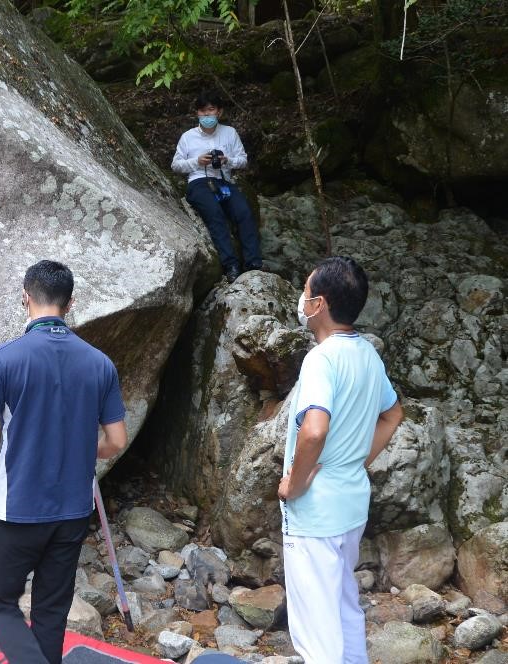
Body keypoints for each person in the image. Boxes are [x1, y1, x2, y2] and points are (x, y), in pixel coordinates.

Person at [0, 259, 128, 664]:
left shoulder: (5, 359)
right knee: (51, 611)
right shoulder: (99, 363)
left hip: (19, 509)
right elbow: (116, 441)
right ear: (70, 304)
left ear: (25, 298)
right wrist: (74, 452)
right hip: (72, 509)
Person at [277, 256, 404, 664]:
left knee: (316, 637)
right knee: (344, 604)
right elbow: (393, 413)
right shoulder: (367, 353)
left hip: (315, 513)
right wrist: (356, 459)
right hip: (351, 505)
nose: (302, 298)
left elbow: (314, 430)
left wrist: (293, 485)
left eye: (306, 290)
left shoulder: (321, 359)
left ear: (321, 304)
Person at [172, 91, 263, 283]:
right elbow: (176, 165)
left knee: (244, 213)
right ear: (197, 113)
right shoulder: (188, 137)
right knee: (215, 214)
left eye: (211, 110)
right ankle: (230, 265)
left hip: (223, 182)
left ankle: (254, 263)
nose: (207, 115)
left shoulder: (229, 132)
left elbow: (243, 160)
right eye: (202, 112)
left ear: (219, 112)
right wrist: (197, 162)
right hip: (198, 182)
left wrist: (226, 160)